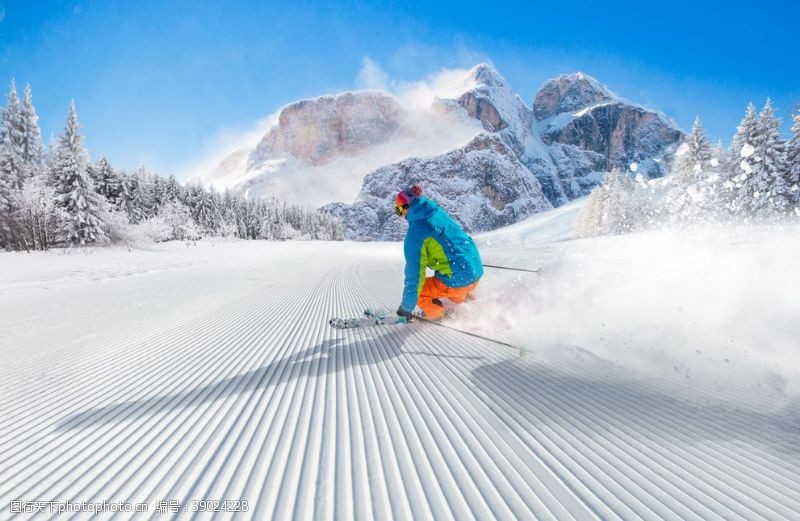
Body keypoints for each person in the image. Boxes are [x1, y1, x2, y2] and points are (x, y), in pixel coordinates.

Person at [395, 184, 483, 320]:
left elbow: (415, 275)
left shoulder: (416, 231)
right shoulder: (438, 213)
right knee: (455, 291)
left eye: (399, 210)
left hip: (458, 279)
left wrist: (406, 308)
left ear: (406, 208)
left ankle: (439, 318)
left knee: (421, 293)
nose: (401, 215)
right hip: (475, 270)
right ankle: (468, 301)